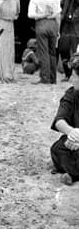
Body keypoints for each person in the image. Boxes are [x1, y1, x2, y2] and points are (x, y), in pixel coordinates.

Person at [50, 53, 79, 185]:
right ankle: (74, 171)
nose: (71, 79)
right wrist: (71, 132)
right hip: (75, 141)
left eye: (74, 75)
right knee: (57, 148)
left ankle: (72, 174)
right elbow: (59, 120)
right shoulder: (72, 94)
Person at [28, 0, 61, 85]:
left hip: (41, 23)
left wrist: (42, 15)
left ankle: (45, 78)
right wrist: (58, 30)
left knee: (43, 52)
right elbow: (58, 14)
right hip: (53, 24)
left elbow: (30, 14)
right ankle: (53, 79)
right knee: (52, 52)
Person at [59, 0, 79, 81]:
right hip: (66, 26)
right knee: (64, 49)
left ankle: (76, 74)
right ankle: (67, 74)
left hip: (77, 26)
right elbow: (63, 6)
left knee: (76, 50)